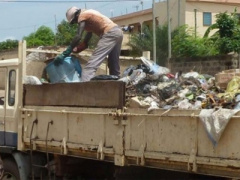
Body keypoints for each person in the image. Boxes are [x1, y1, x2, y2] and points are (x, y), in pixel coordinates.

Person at [53, 6, 123, 82]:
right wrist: (83, 45)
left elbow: (78, 36)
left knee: (89, 67)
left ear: (76, 15)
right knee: (114, 65)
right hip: (118, 32)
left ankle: (85, 91)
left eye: (74, 21)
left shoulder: (82, 16)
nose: (76, 23)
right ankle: (117, 89)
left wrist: (66, 53)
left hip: (110, 33)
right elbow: (88, 35)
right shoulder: (89, 14)